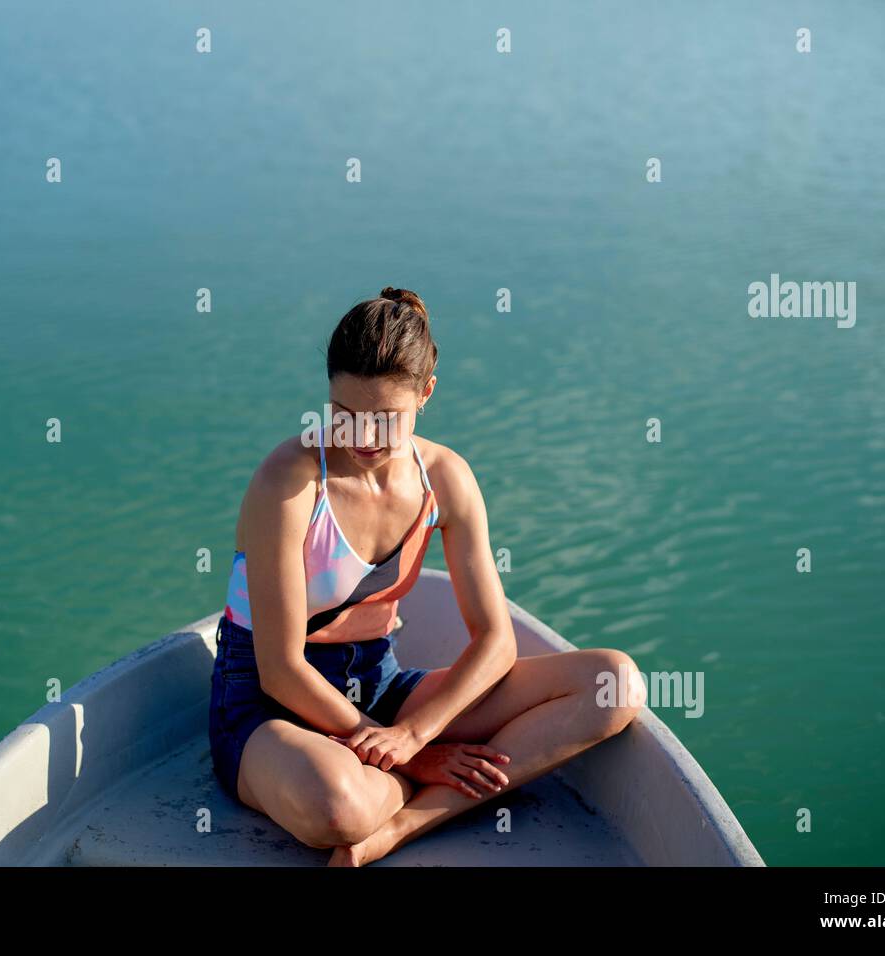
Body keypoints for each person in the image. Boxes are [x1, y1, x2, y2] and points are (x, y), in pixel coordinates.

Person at [209, 286, 647, 866]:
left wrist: (414, 734)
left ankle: (403, 826)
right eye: (345, 415)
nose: (362, 438)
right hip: (271, 708)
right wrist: (414, 757)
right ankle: (397, 790)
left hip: (381, 689)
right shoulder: (288, 483)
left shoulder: (445, 478)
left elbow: (495, 641)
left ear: (426, 395)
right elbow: (281, 669)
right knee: (339, 810)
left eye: (385, 420)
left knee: (613, 683)